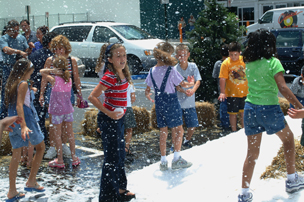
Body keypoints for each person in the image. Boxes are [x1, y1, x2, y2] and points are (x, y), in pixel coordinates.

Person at [238, 29, 304, 202]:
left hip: (250, 109)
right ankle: (292, 180)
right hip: (269, 110)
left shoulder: (249, 63)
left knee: (251, 154)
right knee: (288, 140)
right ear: (270, 45)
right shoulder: (274, 62)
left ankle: (244, 193)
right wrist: (299, 106)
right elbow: (283, 87)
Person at [88, 43, 136, 202]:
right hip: (109, 120)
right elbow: (92, 97)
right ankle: (107, 197)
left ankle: (121, 189)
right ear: (110, 59)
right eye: (118, 56)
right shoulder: (110, 76)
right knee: (112, 159)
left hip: (119, 119)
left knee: (120, 155)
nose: (123, 59)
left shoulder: (122, 73)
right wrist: (108, 112)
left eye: (124, 55)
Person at [145, 42, 194, 171]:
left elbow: (147, 90)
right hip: (171, 101)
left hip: (159, 102)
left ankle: (163, 161)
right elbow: (182, 84)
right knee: (178, 130)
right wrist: (191, 83)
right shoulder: (171, 70)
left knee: (163, 131)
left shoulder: (152, 71)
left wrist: (150, 96)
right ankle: (177, 158)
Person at [5, 58, 45, 201]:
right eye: (30, 71)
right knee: (41, 148)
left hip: (12, 119)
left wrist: (31, 90)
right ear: (25, 71)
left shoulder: (12, 83)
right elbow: (20, 105)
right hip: (25, 117)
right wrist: (24, 125)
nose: (32, 73)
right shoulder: (22, 84)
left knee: (16, 154)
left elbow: (15, 103)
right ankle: (31, 181)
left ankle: (12, 191)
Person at [40, 35, 83, 160]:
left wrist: (79, 94)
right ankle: (53, 146)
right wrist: (42, 94)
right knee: (54, 122)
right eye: (56, 49)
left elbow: (76, 78)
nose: (59, 51)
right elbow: (44, 78)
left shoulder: (71, 61)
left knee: (66, 123)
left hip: (67, 93)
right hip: (53, 93)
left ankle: (63, 145)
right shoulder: (50, 60)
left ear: (66, 48)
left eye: (61, 48)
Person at [29, 32, 57, 146]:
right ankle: (51, 142)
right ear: (50, 43)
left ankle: (41, 141)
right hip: (51, 89)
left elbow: (30, 72)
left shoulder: (35, 54)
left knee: (38, 116)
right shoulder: (54, 57)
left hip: (37, 87)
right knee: (53, 118)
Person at [0, 19, 30, 119]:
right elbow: (6, 50)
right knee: (7, 90)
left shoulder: (21, 38)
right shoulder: (4, 38)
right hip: (8, 67)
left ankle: (19, 113)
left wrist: (29, 48)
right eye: (14, 31)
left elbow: (26, 51)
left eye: (18, 30)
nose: (17, 33)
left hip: (19, 68)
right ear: (9, 30)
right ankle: (3, 115)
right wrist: (18, 52)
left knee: (21, 89)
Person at [174, 43, 201, 148]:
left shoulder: (193, 66)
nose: (182, 57)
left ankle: (187, 140)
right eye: (180, 55)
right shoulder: (175, 69)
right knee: (178, 126)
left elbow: (198, 81)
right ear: (176, 56)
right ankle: (177, 142)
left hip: (190, 101)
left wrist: (192, 90)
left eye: (184, 55)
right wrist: (185, 91)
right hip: (179, 102)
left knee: (193, 125)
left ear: (188, 54)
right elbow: (176, 86)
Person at [218, 42, 248, 132]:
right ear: (228, 52)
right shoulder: (226, 63)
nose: (233, 57)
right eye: (231, 54)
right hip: (232, 93)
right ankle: (234, 130)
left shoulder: (244, 60)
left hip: (245, 92)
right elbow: (222, 78)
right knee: (232, 113)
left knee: (243, 112)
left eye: (236, 54)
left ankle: (244, 130)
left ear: (240, 53)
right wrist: (222, 92)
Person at [212, 44, 230, 130]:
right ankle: (233, 123)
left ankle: (225, 124)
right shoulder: (231, 63)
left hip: (222, 90)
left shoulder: (218, 63)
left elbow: (215, 76)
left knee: (223, 107)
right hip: (232, 89)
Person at [289, 67, 304, 146]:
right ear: (301, 76)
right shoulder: (297, 82)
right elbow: (292, 96)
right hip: (298, 98)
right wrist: (298, 106)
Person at [124, 83, 137, 157]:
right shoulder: (129, 84)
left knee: (118, 128)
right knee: (129, 129)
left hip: (117, 107)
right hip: (127, 107)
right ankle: (126, 146)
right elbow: (133, 99)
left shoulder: (115, 81)